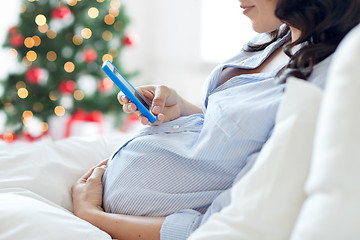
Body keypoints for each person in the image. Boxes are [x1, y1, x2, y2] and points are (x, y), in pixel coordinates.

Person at [72, 0, 360, 239]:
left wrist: (92, 216)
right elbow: (234, 140)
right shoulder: (280, 35)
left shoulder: (322, 84)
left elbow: (219, 223)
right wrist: (181, 108)